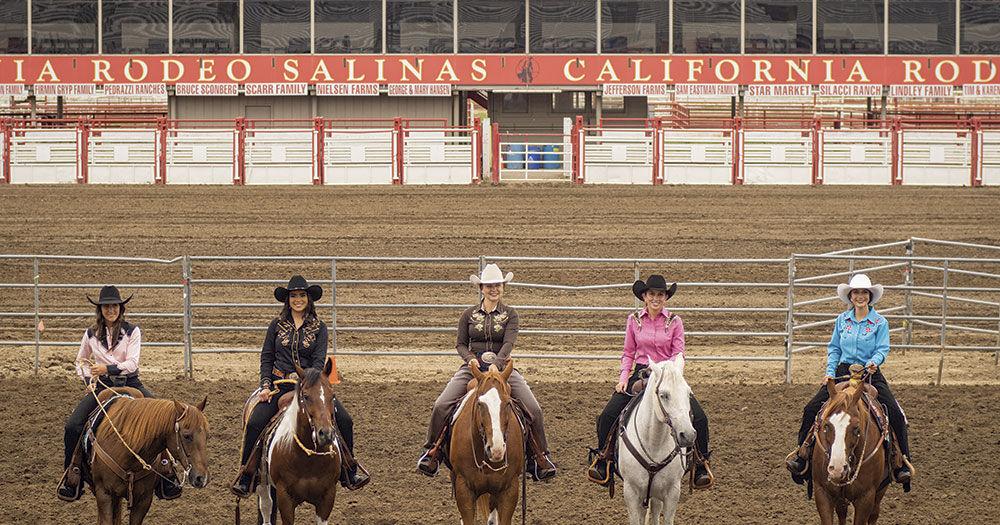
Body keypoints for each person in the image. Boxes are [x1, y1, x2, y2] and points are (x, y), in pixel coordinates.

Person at [231, 275, 369, 497]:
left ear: (308, 299)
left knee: (345, 420)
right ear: (287, 299)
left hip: (309, 387)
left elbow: (318, 361)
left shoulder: (319, 328)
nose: (297, 299)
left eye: (302, 295)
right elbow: (267, 357)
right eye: (293, 295)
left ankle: (349, 469)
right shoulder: (276, 326)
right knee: (256, 421)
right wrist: (265, 385)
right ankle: (247, 474)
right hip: (279, 386)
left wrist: (309, 385)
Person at [417, 263, 557, 481]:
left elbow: (509, 342)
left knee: (534, 408)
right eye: (489, 286)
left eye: (498, 285)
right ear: (481, 288)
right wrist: (471, 360)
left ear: (503, 287)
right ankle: (431, 451)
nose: (494, 289)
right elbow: (461, 344)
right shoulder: (468, 315)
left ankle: (539, 457)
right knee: (441, 405)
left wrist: (498, 363)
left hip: (502, 370)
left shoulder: (511, 315)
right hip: (472, 369)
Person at [588, 275, 714, 489]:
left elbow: (679, 352)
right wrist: (622, 380)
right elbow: (628, 353)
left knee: (700, 419)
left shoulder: (675, 321)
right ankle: (604, 458)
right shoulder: (633, 320)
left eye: (660, 294)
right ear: (644, 297)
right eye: (652, 294)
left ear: (666, 297)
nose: (656, 298)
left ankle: (700, 464)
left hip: (670, 373)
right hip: (641, 374)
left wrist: (672, 374)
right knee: (608, 415)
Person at [785, 273, 913, 485]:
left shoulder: (880, 322)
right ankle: (803, 454)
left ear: (870, 296)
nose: (860, 296)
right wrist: (829, 372)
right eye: (856, 292)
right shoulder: (841, 321)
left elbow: (883, 348)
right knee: (811, 408)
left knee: (895, 412)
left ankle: (900, 462)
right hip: (843, 372)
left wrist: (874, 362)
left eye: (864, 293)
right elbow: (834, 348)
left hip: (869, 373)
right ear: (850, 296)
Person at [57, 285, 182, 501]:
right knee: (73, 426)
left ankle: (166, 472)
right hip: (102, 387)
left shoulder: (133, 331)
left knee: (164, 420)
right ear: (100, 309)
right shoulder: (90, 334)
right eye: (106, 306)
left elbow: (132, 363)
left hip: (131, 382)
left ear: (120, 308)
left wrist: (106, 368)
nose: (110, 310)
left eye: (114, 306)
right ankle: (72, 473)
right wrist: (88, 380)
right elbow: (81, 361)